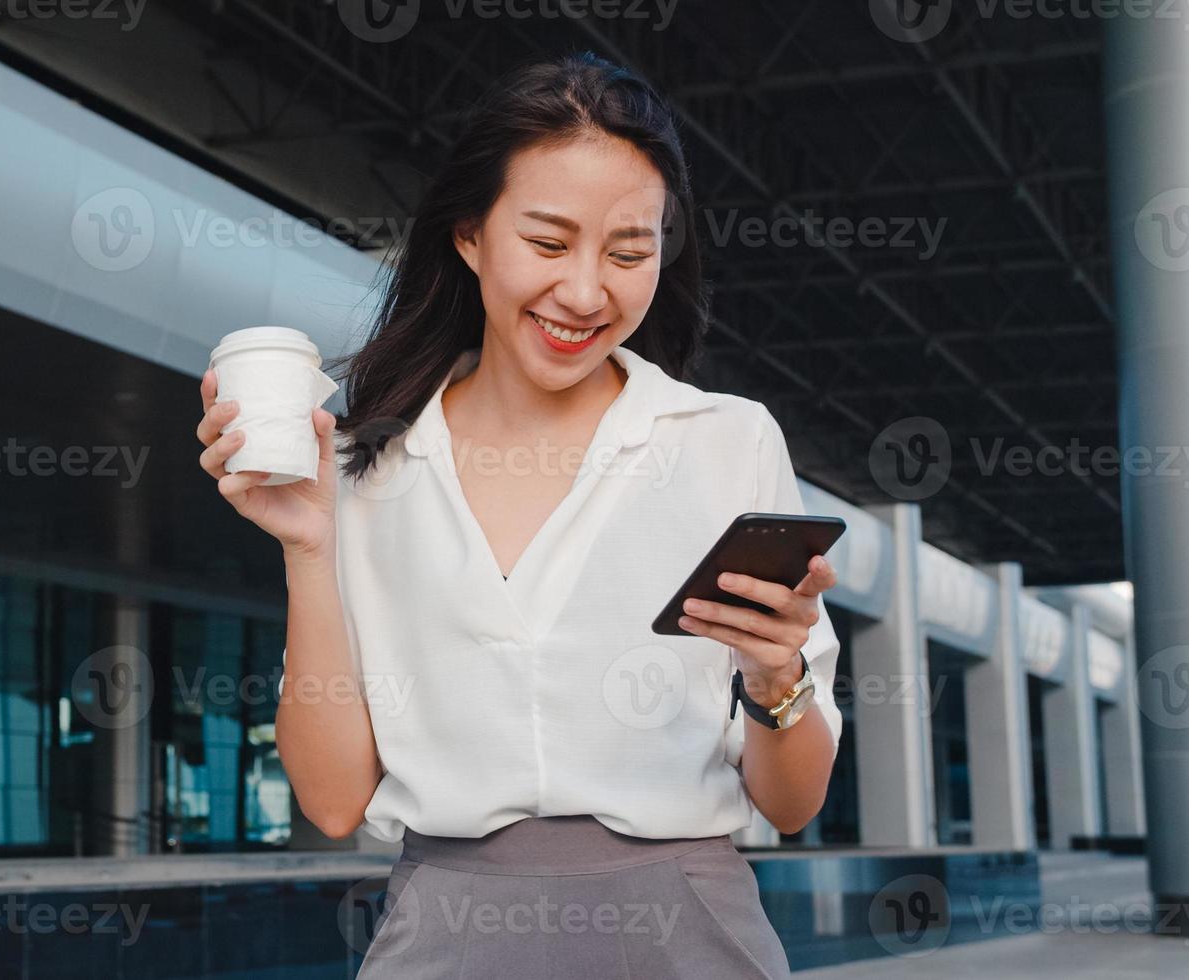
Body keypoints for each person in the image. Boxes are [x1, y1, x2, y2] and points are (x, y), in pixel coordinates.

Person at [195, 51, 842, 979]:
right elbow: (335, 804)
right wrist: (308, 547)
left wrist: (776, 673)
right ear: (468, 235)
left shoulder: (725, 443)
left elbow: (793, 803)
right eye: (547, 243)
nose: (586, 293)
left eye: (629, 252)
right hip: (446, 936)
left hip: (689, 935)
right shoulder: (362, 469)